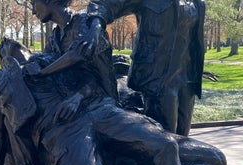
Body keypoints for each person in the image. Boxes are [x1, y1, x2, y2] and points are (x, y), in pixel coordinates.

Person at [19, 0, 218, 165]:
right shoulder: (55, 38)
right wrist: (27, 70)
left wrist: (73, 93)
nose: (32, 9)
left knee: (165, 145)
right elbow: (58, 75)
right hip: (75, 121)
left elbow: (85, 61)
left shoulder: (85, 25)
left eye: (34, 3)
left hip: (103, 107)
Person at [82, 0, 206, 136]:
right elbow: (105, 3)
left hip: (187, 82)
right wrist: (96, 25)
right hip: (156, 79)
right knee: (165, 141)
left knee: (184, 139)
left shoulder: (197, 3)